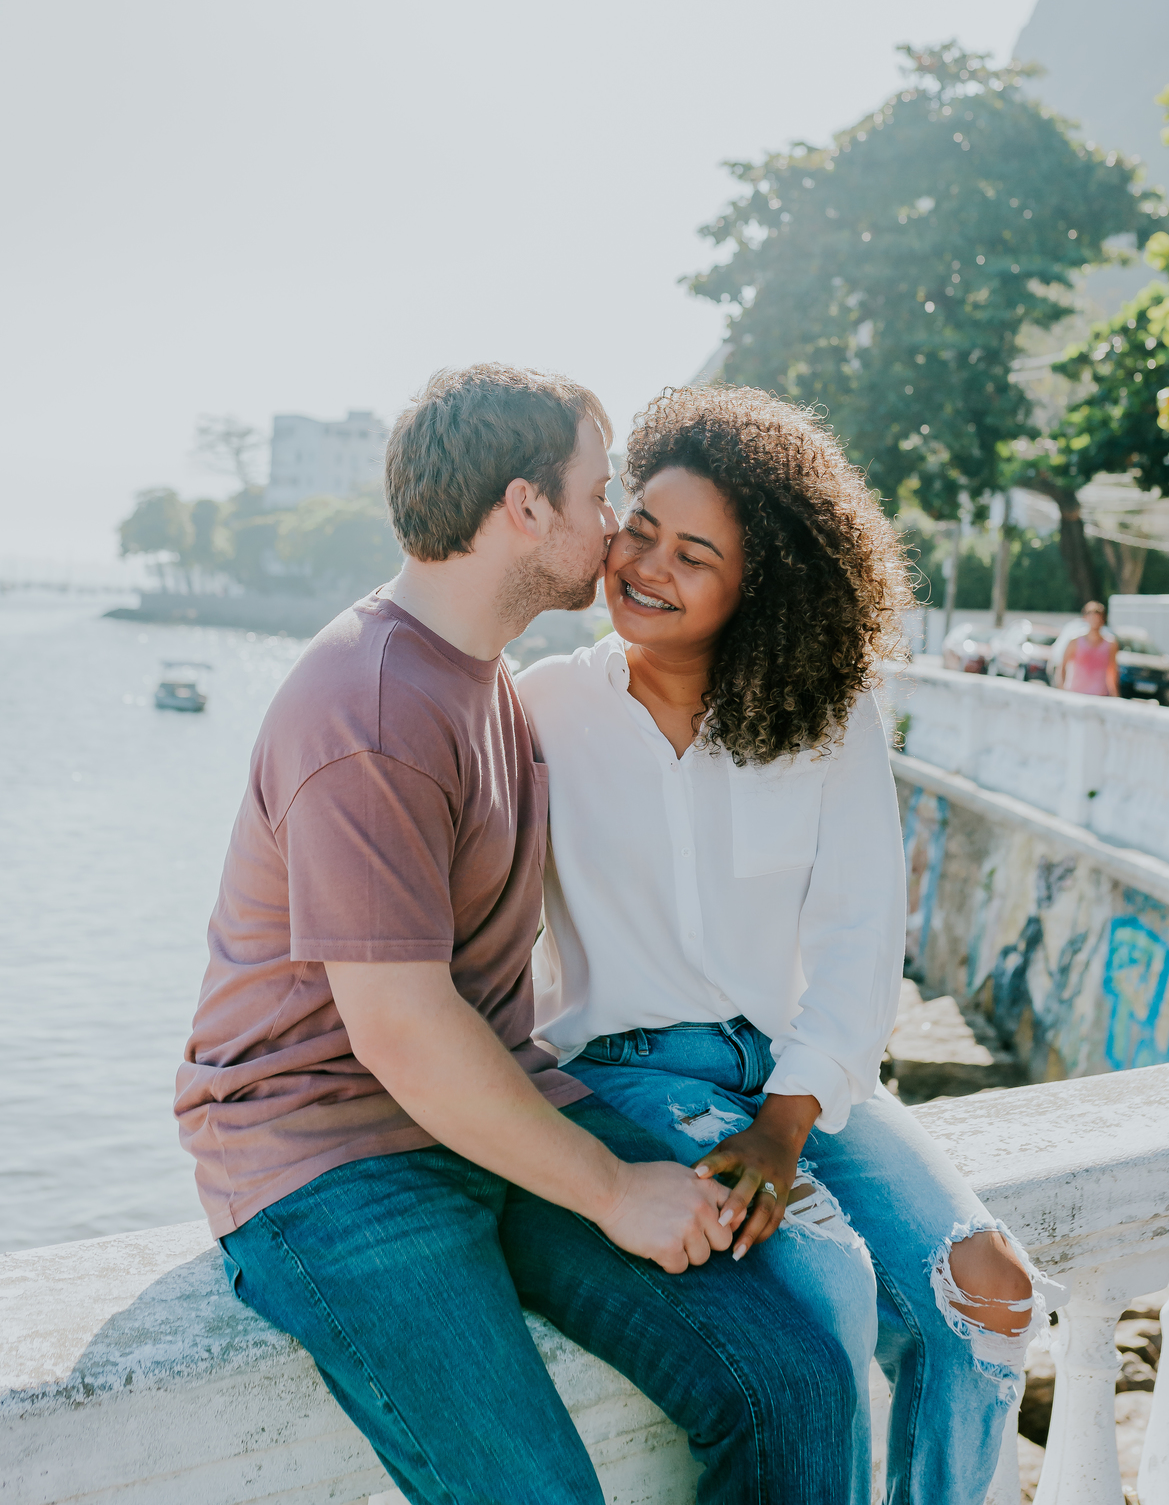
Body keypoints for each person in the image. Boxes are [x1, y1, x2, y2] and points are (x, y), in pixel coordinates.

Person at [175, 363, 859, 1505]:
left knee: (790, 1382)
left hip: (491, 1109)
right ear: (525, 507)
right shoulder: (369, 706)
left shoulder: (488, 683)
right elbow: (397, 1029)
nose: (615, 528)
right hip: (330, 1161)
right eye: (599, 493)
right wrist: (612, 1189)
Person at [516, 385, 1050, 1505]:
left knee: (990, 1289)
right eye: (641, 529)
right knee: (828, 1290)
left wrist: (787, 1120)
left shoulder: (823, 707)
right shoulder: (535, 710)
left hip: (795, 1071)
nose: (647, 565)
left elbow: (862, 930)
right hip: (629, 1072)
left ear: (757, 585)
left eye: (694, 554)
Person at [1056, 599, 1119, 696]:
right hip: (1076, 694)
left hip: (1099, 696)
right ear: (1086, 618)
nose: (1095, 621)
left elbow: (1112, 671)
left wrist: (1115, 694)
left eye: (1098, 618)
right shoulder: (1075, 641)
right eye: (1092, 617)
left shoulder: (1110, 644)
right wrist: (1062, 689)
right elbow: (1062, 666)